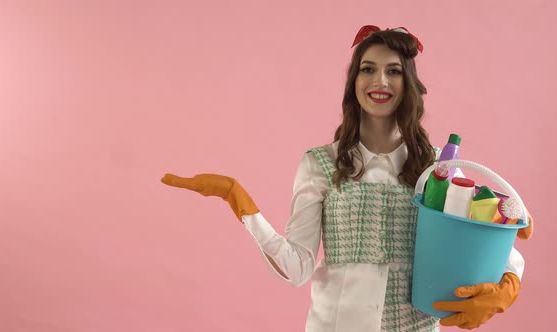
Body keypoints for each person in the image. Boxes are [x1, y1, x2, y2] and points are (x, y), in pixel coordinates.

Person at [161, 25, 534, 332]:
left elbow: (483, 243)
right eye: (367, 68)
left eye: (393, 70)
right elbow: (298, 268)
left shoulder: (436, 167)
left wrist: (509, 280)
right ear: (353, 80)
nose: (380, 81)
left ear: (408, 83)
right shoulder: (320, 164)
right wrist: (239, 202)